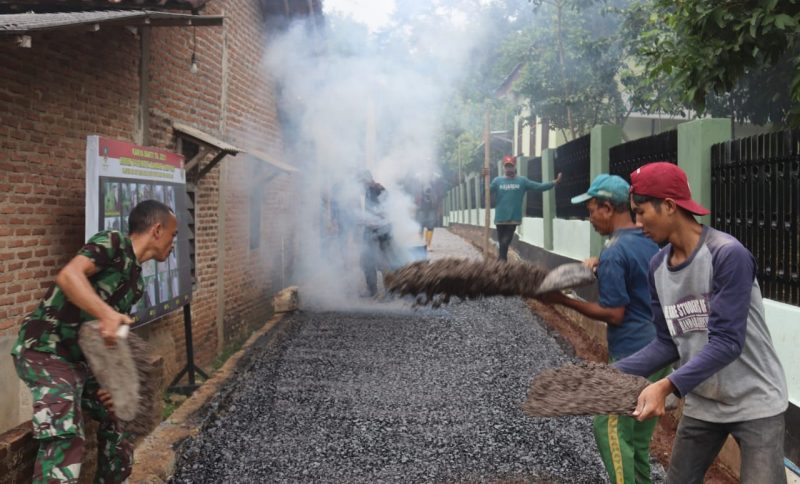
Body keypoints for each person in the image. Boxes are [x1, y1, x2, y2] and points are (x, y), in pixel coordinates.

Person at [615, 162, 788, 484]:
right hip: (703, 403)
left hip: (755, 401)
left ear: (668, 206)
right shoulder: (657, 267)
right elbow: (667, 342)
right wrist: (612, 376)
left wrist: (666, 386)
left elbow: (727, 342)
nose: (638, 224)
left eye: (640, 213)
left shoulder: (727, 254)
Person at [11, 200, 178, 483]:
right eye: (174, 235)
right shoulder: (112, 242)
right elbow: (69, 275)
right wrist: (107, 314)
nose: (174, 243)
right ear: (158, 230)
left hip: (80, 360)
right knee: (65, 430)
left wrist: (110, 384)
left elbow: (104, 338)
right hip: (45, 350)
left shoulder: (136, 283)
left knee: (122, 413)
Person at [539, 174, 669, 483]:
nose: (590, 218)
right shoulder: (651, 239)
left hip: (634, 353)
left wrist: (563, 300)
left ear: (608, 207)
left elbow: (614, 314)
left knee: (607, 426)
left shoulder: (615, 253)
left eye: (591, 209)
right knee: (636, 436)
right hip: (662, 351)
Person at [486, 155, 561, 261]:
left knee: (505, 242)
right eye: (506, 166)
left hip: (513, 218)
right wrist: (485, 177)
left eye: (510, 166)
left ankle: (501, 262)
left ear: (514, 167)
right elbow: (486, 191)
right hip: (500, 218)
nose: (508, 168)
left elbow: (539, 186)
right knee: (502, 243)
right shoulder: (497, 181)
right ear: (504, 167)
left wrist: (553, 183)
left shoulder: (522, 181)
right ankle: (502, 262)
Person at [358, 170, 392, 297]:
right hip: (370, 229)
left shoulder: (380, 190)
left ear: (367, 180)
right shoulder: (367, 191)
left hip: (383, 230)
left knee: (385, 262)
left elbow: (387, 209)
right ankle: (372, 291)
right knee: (366, 260)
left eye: (362, 182)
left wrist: (375, 219)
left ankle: (390, 292)